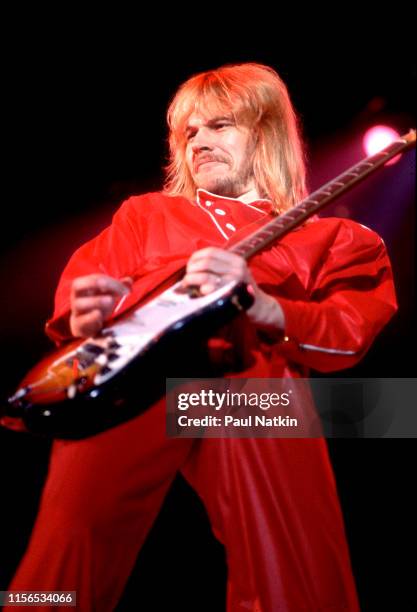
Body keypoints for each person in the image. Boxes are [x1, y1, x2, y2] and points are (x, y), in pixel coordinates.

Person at [5, 63, 397, 611]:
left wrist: (262, 304)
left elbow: (351, 327)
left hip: (249, 378)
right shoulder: (145, 215)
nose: (199, 143)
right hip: (133, 374)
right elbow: (82, 298)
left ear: (265, 135)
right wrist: (85, 315)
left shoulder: (333, 237)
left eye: (219, 126)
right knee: (65, 551)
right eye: (189, 133)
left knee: (295, 561)